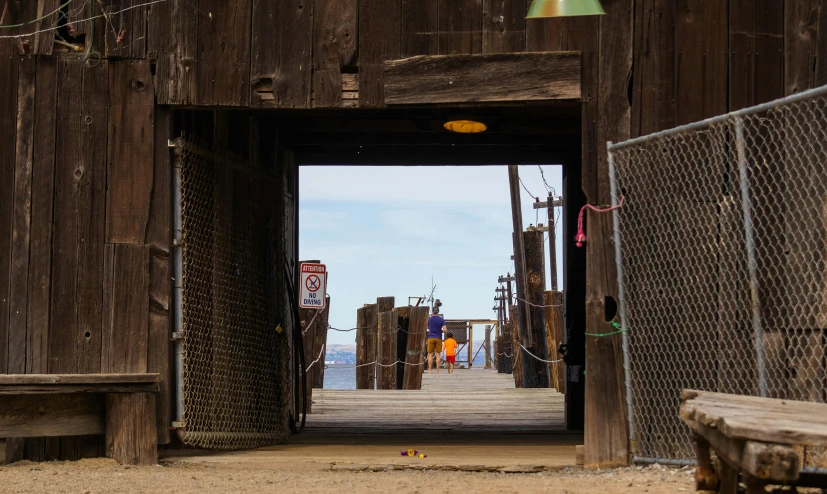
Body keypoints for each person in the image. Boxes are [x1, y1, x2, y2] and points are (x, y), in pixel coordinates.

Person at [426, 306, 446, 374]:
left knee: (430, 354)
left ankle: (430, 370)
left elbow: (426, 326)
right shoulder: (441, 320)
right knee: (438, 354)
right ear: (438, 311)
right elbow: (445, 330)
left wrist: (431, 329)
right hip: (438, 338)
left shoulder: (429, 319)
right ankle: (437, 370)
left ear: (432, 311)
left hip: (430, 337)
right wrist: (440, 331)